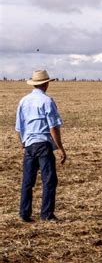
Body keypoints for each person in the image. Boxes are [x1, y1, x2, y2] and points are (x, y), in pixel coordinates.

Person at [15, 70, 66, 223]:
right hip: (43, 144)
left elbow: (19, 127)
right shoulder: (47, 101)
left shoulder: (23, 101)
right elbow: (53, 127)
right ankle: (46, 214)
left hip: (29, 144)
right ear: (46, 83)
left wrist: (23, 143)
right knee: (49, 180)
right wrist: (61, 148)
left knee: (28, 181)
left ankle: (24, 213)